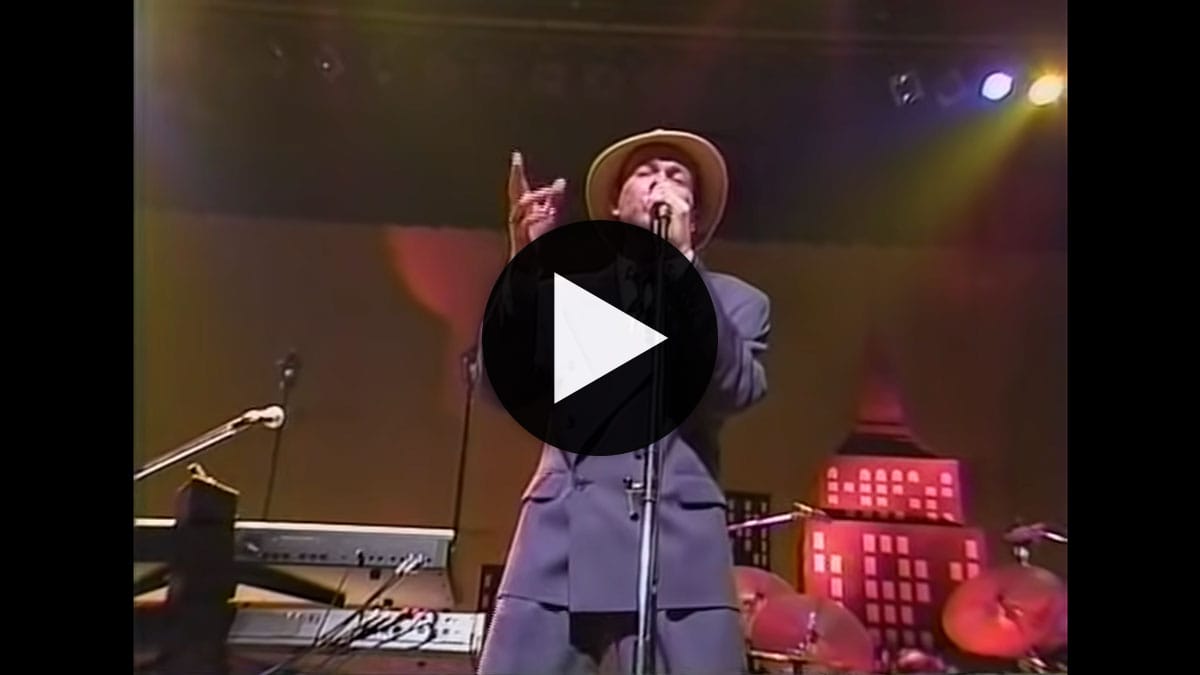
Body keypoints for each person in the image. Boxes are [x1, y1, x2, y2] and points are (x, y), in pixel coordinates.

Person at [476, 129, 771, 674]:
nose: (660, 182)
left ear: (694, 216)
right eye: (645, 172)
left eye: (676, 176)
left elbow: (733, 389)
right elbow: (502, 385)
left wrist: (679, 264)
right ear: (615, 204)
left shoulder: (736, 302)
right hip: (562, 540)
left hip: (679, 551)